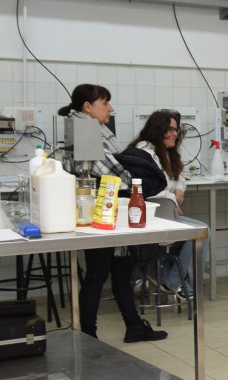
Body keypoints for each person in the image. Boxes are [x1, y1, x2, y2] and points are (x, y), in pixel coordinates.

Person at [59, 84, 167, 343]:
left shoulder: (86, 129)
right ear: (88, 106)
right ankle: (87, 334)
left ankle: (134, 326)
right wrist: (137, 179)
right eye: (105, 103)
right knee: (97, 274)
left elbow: (113, 166)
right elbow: (112, 171)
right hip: (99, 211)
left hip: (107, 207)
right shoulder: (84, 130)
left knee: (121, 269)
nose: (111, 108)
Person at [115, 110, 207, 298]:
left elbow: (179, 177)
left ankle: (163, 275)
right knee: (202, 232)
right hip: (152, 218)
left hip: (167, 214)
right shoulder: (144, 154)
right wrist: (172, 199)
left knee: (197, 234)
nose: (175, 134)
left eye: (177, 130)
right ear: (158, 130)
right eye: (171, 129)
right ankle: (174, 279)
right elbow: (150, 188)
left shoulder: (165, 152)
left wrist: (179, 189)